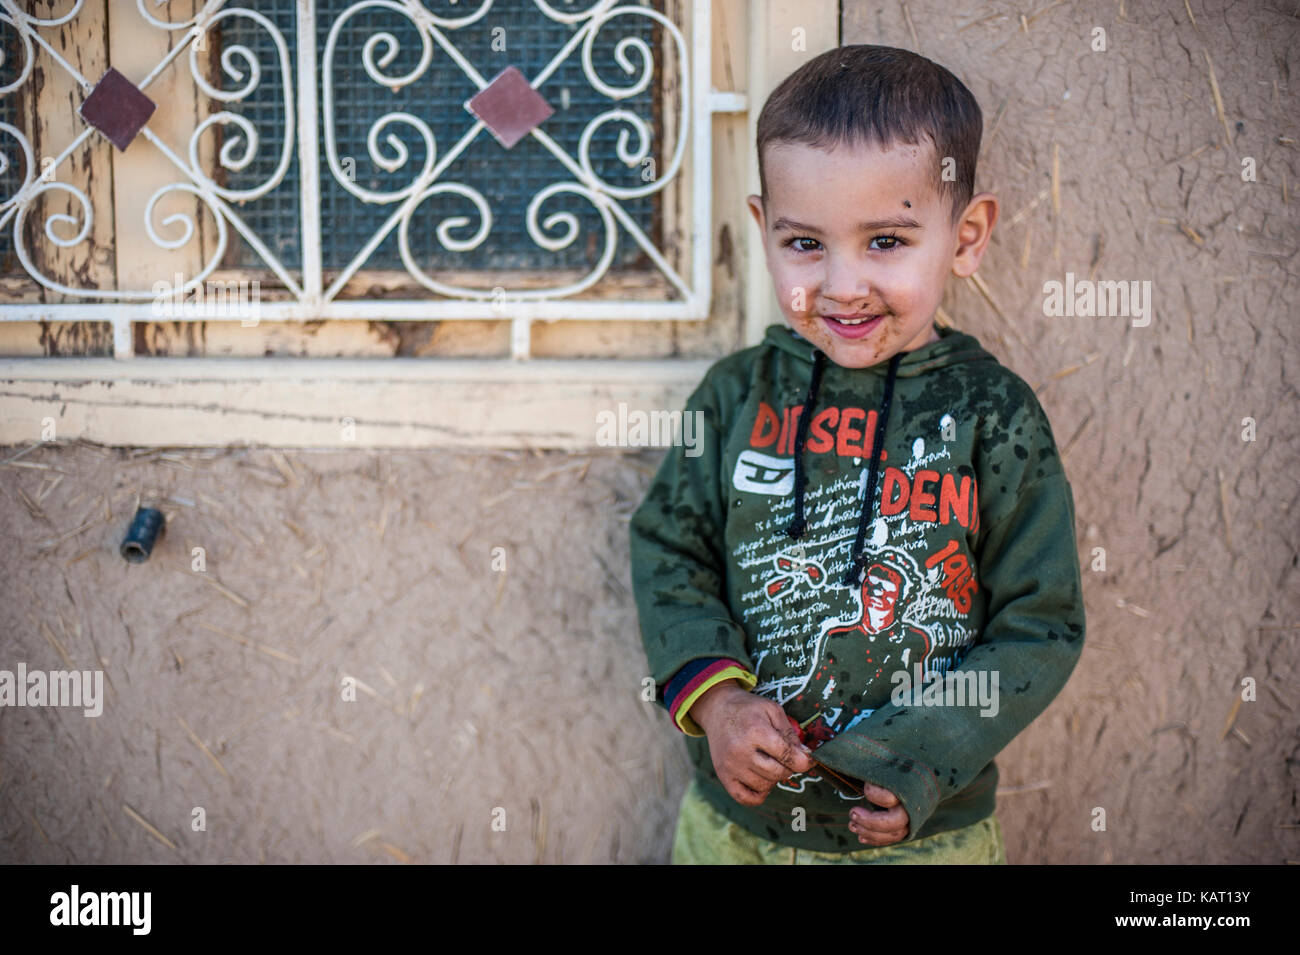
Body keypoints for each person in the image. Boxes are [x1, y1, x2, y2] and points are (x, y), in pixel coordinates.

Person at [629, 44, 1086, 864]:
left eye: (885, 241)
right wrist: (721, 702)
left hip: (923, 833)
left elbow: (1038, 627)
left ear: (967, 235)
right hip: (739, 833)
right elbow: (670, 549)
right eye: (806, 244)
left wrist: (923, 755)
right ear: (764, 229)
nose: (842, 285)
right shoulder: (737, 395)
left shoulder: (994, 415)